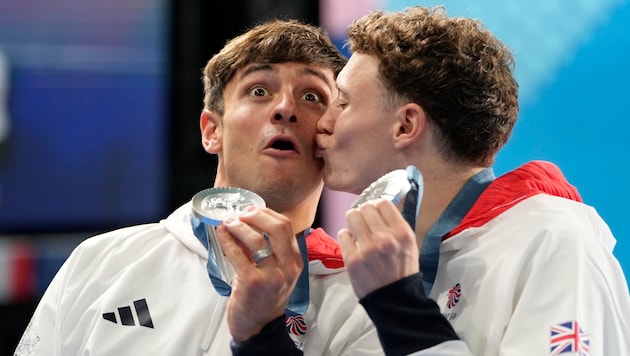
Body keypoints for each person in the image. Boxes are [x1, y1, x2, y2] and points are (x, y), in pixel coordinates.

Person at [14, 19, 383, 355]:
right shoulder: (100, 262)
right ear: (211, 130)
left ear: (330, 133)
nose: (285, 108)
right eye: (258, 91)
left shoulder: (365, 303)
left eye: (311, 96)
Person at [315, 6, 630, 356]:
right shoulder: (381, 271)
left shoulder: (552, 242)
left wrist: (401, 313)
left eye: (342, 103)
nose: (322, 123)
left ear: (406, 126)